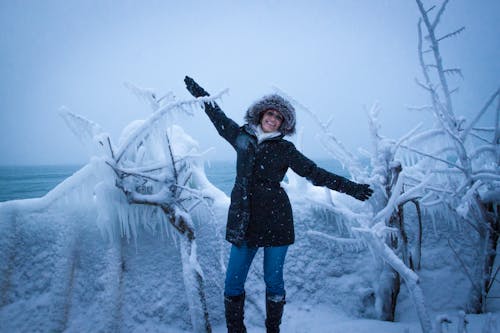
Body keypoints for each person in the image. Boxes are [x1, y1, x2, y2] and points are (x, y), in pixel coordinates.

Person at [184, 76, 373, 333]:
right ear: (261, 114)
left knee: (273, 281)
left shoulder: (285, 149)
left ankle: (273, 329)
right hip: (244, 220)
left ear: (283, 124)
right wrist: (203, 97)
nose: (272, 119)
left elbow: (314, 173)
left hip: (276, 219)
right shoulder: (242, 137)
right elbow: (219, 119)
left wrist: (351, 188)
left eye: (278, 118)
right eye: (270, 114)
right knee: (233, 284)